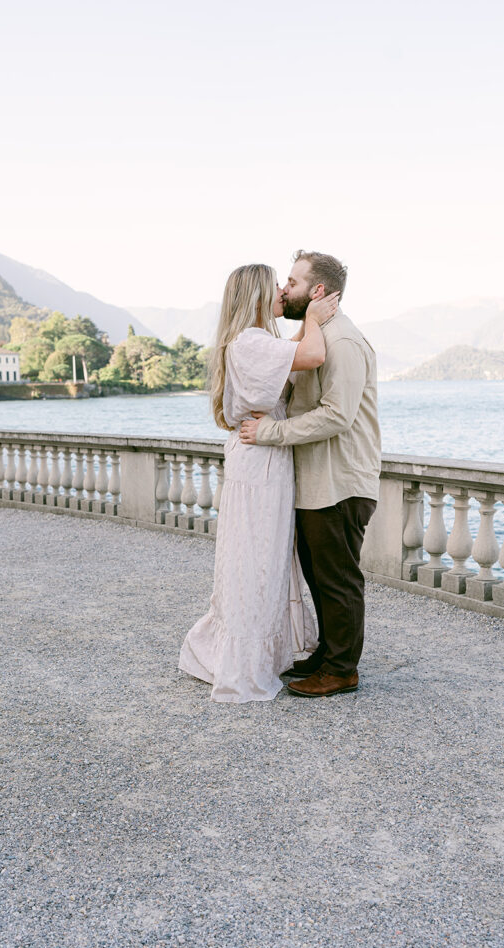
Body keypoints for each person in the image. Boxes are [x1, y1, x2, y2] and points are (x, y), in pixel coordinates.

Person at [178, 263, 339, 703]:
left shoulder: (252, 342)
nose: (282, 295)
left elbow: (284, 358)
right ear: (254, 297)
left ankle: (261, 651)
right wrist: (313, 319)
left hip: (262, 459)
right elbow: (312, 357)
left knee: (260, 558)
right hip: (261, 464)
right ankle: (245, 661)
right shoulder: (250, 342)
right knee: (257, 559)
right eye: (275, 289)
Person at [239, 250, 381, 697]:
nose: (284, 289)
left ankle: (342, 670)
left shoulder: (342, 342)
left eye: (293, 282)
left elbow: (337, 416)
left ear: (318, 291)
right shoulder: (316, 335)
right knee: (319, 574)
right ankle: (328, 653)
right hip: (316, 481)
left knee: (338, 578)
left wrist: (270, 433)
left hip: (339, 481)